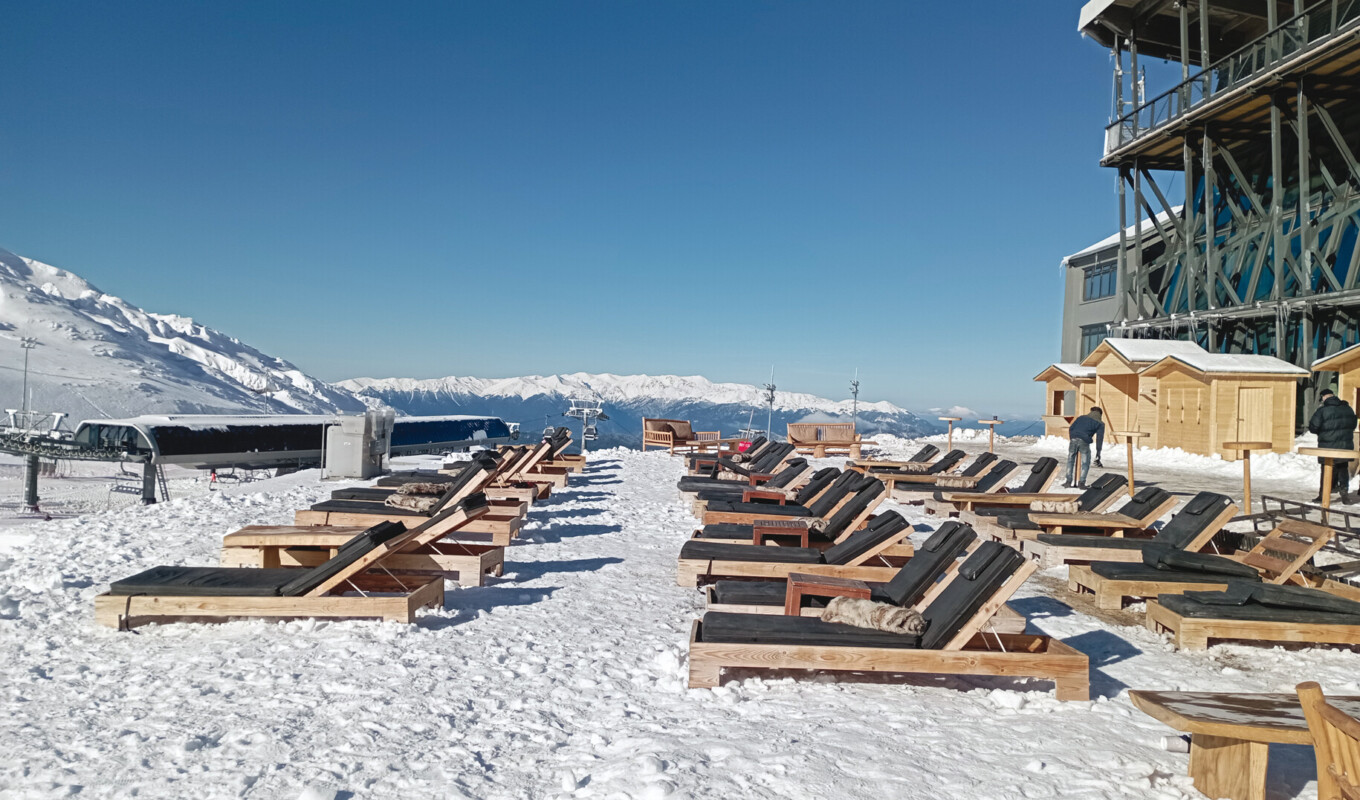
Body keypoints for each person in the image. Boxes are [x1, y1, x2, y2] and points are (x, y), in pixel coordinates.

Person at [1308, 388, 1358, 504]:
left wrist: (1324, 432)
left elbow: (1313, 427)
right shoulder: (1348, 409)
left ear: (1324, 397)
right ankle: (1344, 495)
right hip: (1344, 446)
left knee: (1326, 469)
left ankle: (1323, 495)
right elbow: (1353, 424)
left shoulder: (1322, 411)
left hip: (1327, 446)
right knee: (1342, 469)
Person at [1063, 407, 1105, 489]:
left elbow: (1071, 428)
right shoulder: (1100, 423)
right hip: (1084, 441)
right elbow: (1099, 439)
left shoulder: (1081, 418)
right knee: (1085, 462)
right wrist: (1098, 452)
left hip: (1073, 439)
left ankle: (1068, 481)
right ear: (1100, 414)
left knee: (1070, 460)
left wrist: (1072, 437)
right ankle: (1081, 483)